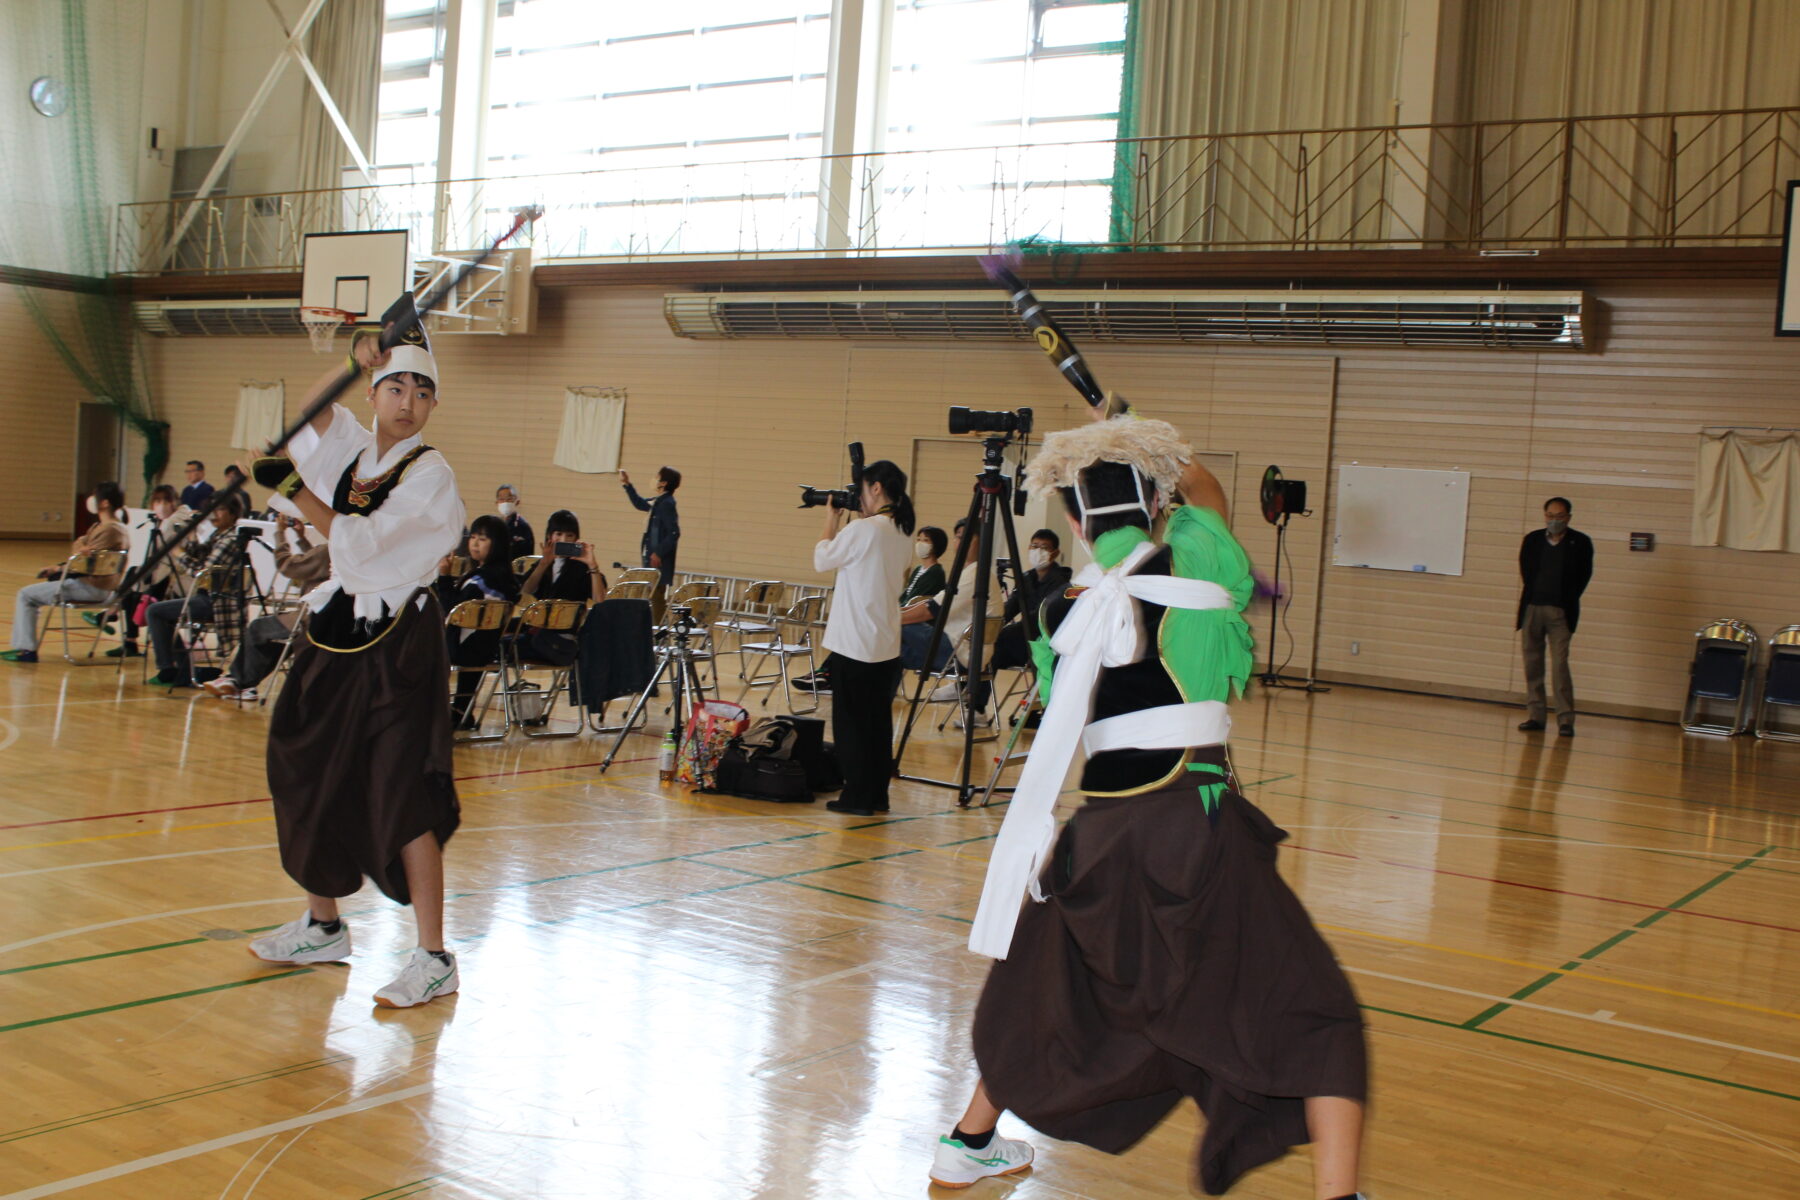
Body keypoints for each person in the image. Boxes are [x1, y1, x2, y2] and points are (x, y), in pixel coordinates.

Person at [933, 416, 1367, 1200]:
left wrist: (1130, 463)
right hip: (1191, 826)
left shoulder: (1055, 612)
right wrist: (1158, 454)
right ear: (1160, 504)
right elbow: (1208, 494)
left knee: (1049, 984)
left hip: (1094, 837)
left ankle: (967, 1143)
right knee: (1313, 1008)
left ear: (1071, 524)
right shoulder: (1198, 566)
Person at [246, 296, 467, 1010]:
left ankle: (433, 957)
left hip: (398, 639)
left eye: (423, 392)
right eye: (396, 387)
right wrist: (350, 360)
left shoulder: (430, 475)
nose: (409, 402)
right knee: (305, 762)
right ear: (374, 394)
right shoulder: (349, 447)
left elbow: (363, 546)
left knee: (401, 791)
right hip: (335, 628)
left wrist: (295, 495)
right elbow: (306, 419)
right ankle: (323, 924)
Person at [813, 459, 914, 816]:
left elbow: (822, 559)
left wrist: (831, 520)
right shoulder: (903, 532)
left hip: (854, 641)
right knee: (876, 724)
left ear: (875, 488)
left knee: (851, 726)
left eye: (862, 489)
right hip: (884, 642)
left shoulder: (865, 530)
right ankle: (877, 795)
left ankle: (856, 797)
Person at [200, 514, 331, 700]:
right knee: (271, 638)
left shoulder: (330, 550)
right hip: (327, 619)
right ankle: (242, 683)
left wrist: (279, 533)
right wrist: (301, 539)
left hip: (309, 618)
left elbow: (287, 565)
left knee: (258, 628)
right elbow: (315, 564)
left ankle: (238, 680)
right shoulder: (343, 551)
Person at [2, 481, 131, 663]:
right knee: (30, 593)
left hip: (92, 587)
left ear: (105, 503)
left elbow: (84, 561)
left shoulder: (110, 531)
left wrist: (60, 568)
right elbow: (79, 546)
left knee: (25, 595)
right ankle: (24, 647)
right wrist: (78, 550)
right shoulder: (101, 527)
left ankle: (26, 650)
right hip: (102, 588)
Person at [143, 493, 245, 686]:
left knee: (154, 611)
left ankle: (168, 669)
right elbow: (200, 555)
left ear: (233, 514)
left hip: (215, 602)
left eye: (220, 509)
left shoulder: (230, 539)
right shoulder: (219, 535)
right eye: (212, 510)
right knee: (163, 613)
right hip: (206, 596)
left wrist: (178, 553)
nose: (214, 514)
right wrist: (191, 536)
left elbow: (202, 571)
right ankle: (182, 668)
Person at [1516, 496, 1593, 738]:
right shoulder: (1532, 540)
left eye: (1559, 517)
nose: (1554, 521)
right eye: (1550, 516)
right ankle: (1536, 716)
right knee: (1532, 664)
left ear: (1568, 518)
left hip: (1560, 611)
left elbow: (1583, 575)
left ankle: (1565, 719)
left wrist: (1565, 599)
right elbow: (1526, 571)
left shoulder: (1580, 542)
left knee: (1560, 665)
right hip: (1532, 608)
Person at [436, 513, 521, 727]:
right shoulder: (506, 579)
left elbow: (451, 612)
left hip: (459, 649)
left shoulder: (479, 581)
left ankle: (430, 708)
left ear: (497, 544)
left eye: (483, 539)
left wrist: (444, 577)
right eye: (473, 537)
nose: (475, 543)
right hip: (485, 651)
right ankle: (462, 711)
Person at [517, 508, 607, 665]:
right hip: (539, 634)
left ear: (576, 539)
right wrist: (544, 563)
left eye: (569, 535)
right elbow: (526, 591)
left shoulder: (582, 567)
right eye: (558, 534)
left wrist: (592, 565)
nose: (563, 539)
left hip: (562, 640)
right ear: (549, 536)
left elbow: (600, 600)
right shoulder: (543, 564)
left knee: (503, 647)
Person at [620, 465, 680, 586]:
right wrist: (627, 484)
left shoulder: (666, 503)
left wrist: (658, 552)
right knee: (650, 596)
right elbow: (639, 503)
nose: (654, 479)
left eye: (657, 477)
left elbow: (674, 532)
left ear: (663, 483)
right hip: (650, 556)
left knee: (655, 598)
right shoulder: (658, 501)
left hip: (658, 560)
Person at [900, 525, 948, 605]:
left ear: (936, 545)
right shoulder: (918, 569)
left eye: (926, 540)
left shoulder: (935, 572)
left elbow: (916, 597)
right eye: (918, 539)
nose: (920, 543)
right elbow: (907, 592)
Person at [495, 483, 534, 559]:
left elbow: (527, 555)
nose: (505, 502)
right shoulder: (495, 525)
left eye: (509, 499)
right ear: (497, 503)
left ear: (517, 502)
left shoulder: (523, 526)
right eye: (501, 499)